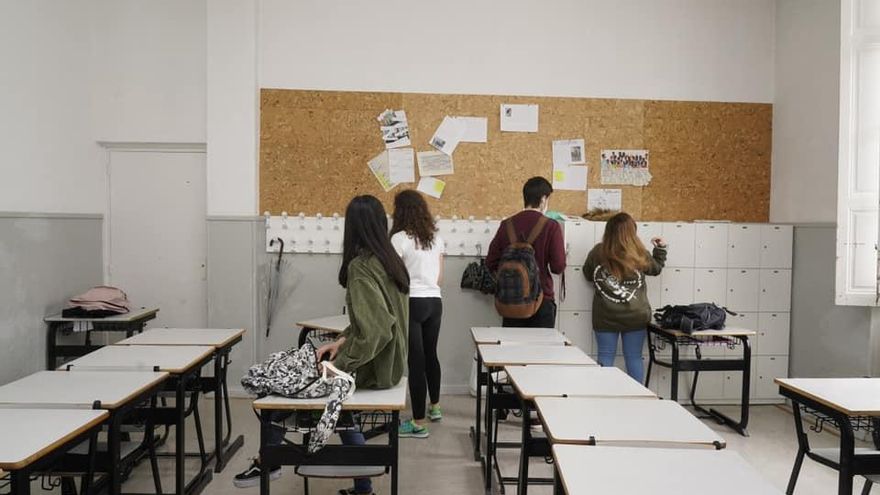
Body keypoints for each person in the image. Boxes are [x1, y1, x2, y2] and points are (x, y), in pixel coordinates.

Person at [234, 195, 409, 495]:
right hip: (388, 364)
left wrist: (338, 367)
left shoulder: (361, 267)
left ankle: (269, 460)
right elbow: (377, 322)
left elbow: (378, 330)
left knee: (282, 388)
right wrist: (341, 342)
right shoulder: (390, 261)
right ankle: (363, 486)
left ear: (352, 228)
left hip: (375, 368)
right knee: (339, 409)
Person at [582, 212, 666, 383]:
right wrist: (660, 250)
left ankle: (604, 395)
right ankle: (636, 397)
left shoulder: (598, 252)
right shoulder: (639, 252)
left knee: (605, 357)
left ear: (608, 231)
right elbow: (656, 269)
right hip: (636, 316)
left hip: (605, 316)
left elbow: (588, 274)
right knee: (634, 357)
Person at [390, 189, 444, 439]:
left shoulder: (399, 239)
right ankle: (435, 407)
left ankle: (418, 423)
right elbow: (440, 277)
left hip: (412, 302)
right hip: (435, 301)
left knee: (416, 361)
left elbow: (395, 277)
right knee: (431, 355)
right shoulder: (436, 238)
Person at [486, 176, 565, 328]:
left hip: (511, 301)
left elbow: (491, 262)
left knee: (512, 344)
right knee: (541, 344)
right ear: (543, 199)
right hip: (541, 299)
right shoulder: (551, 226)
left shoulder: (506, 225)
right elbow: (558, 267)